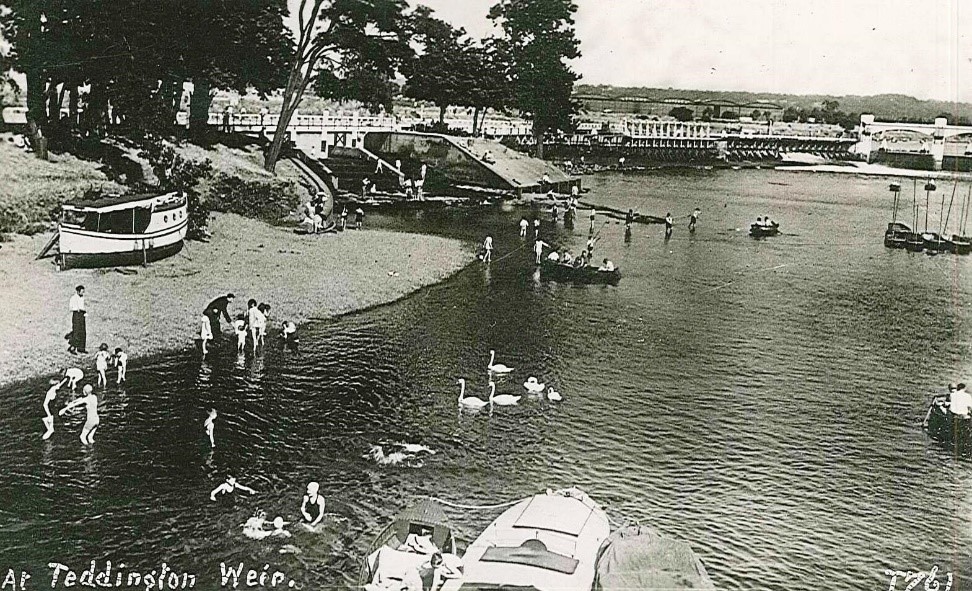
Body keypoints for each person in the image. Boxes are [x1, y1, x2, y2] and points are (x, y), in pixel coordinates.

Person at [68, 285, 87, 354]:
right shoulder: (73, 298)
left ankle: (81, 348)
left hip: (82, 315)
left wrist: (84, 312)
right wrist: (76, 309)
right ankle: (73, 348)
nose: (83, 293)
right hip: (76, 315)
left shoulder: (82, 298)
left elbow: (83, 307)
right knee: (76, 332)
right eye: (82, 292)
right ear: (78, 291)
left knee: (83, 331)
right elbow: (70, 308)